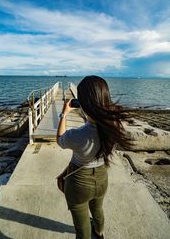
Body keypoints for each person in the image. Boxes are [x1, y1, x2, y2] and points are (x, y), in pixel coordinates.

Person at [57, 75, 132, 239]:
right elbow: (93, 125)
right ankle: (99, 233)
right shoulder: (113, 127)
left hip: (79, 183)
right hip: (101, 178)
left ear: (84, 104)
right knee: (98, 210)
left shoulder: (77, 135)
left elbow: (60, 141)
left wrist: (64, 114)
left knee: (81, 223)